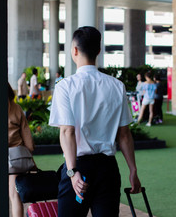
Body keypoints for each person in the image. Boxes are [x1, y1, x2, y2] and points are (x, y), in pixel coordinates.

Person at [49, 26, 141, 217]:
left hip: (78, 166)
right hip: (107, 169)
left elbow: (67, 131)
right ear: (98, 51)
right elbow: (124, 134)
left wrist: (72, 172)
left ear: (74, 50)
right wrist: (133, 170)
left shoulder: (65, 86)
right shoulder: (117, 86)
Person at [7, 82, 34, 217]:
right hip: (16, 157)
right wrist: (29, 154)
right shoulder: (16, 108)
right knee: (14, 195)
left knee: (7, 195)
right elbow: (27, 137)